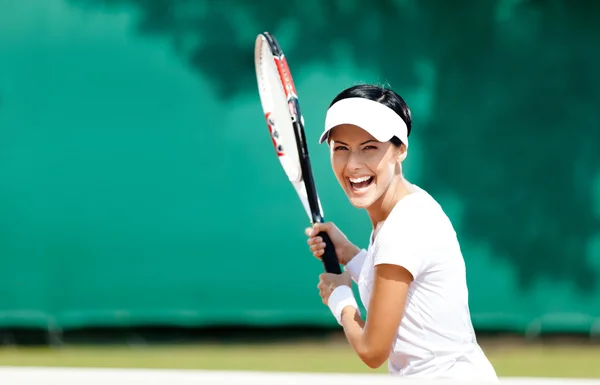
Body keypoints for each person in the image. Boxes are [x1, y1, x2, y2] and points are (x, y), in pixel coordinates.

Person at [304, 84, 498, 382]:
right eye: (341, 148)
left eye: (369, 147)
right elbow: (402, 289)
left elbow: (372, 351)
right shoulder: (407, 208)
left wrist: (339, 297)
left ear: (401, 149)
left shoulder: (403, 228)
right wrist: (350, 255)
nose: (353, 164)